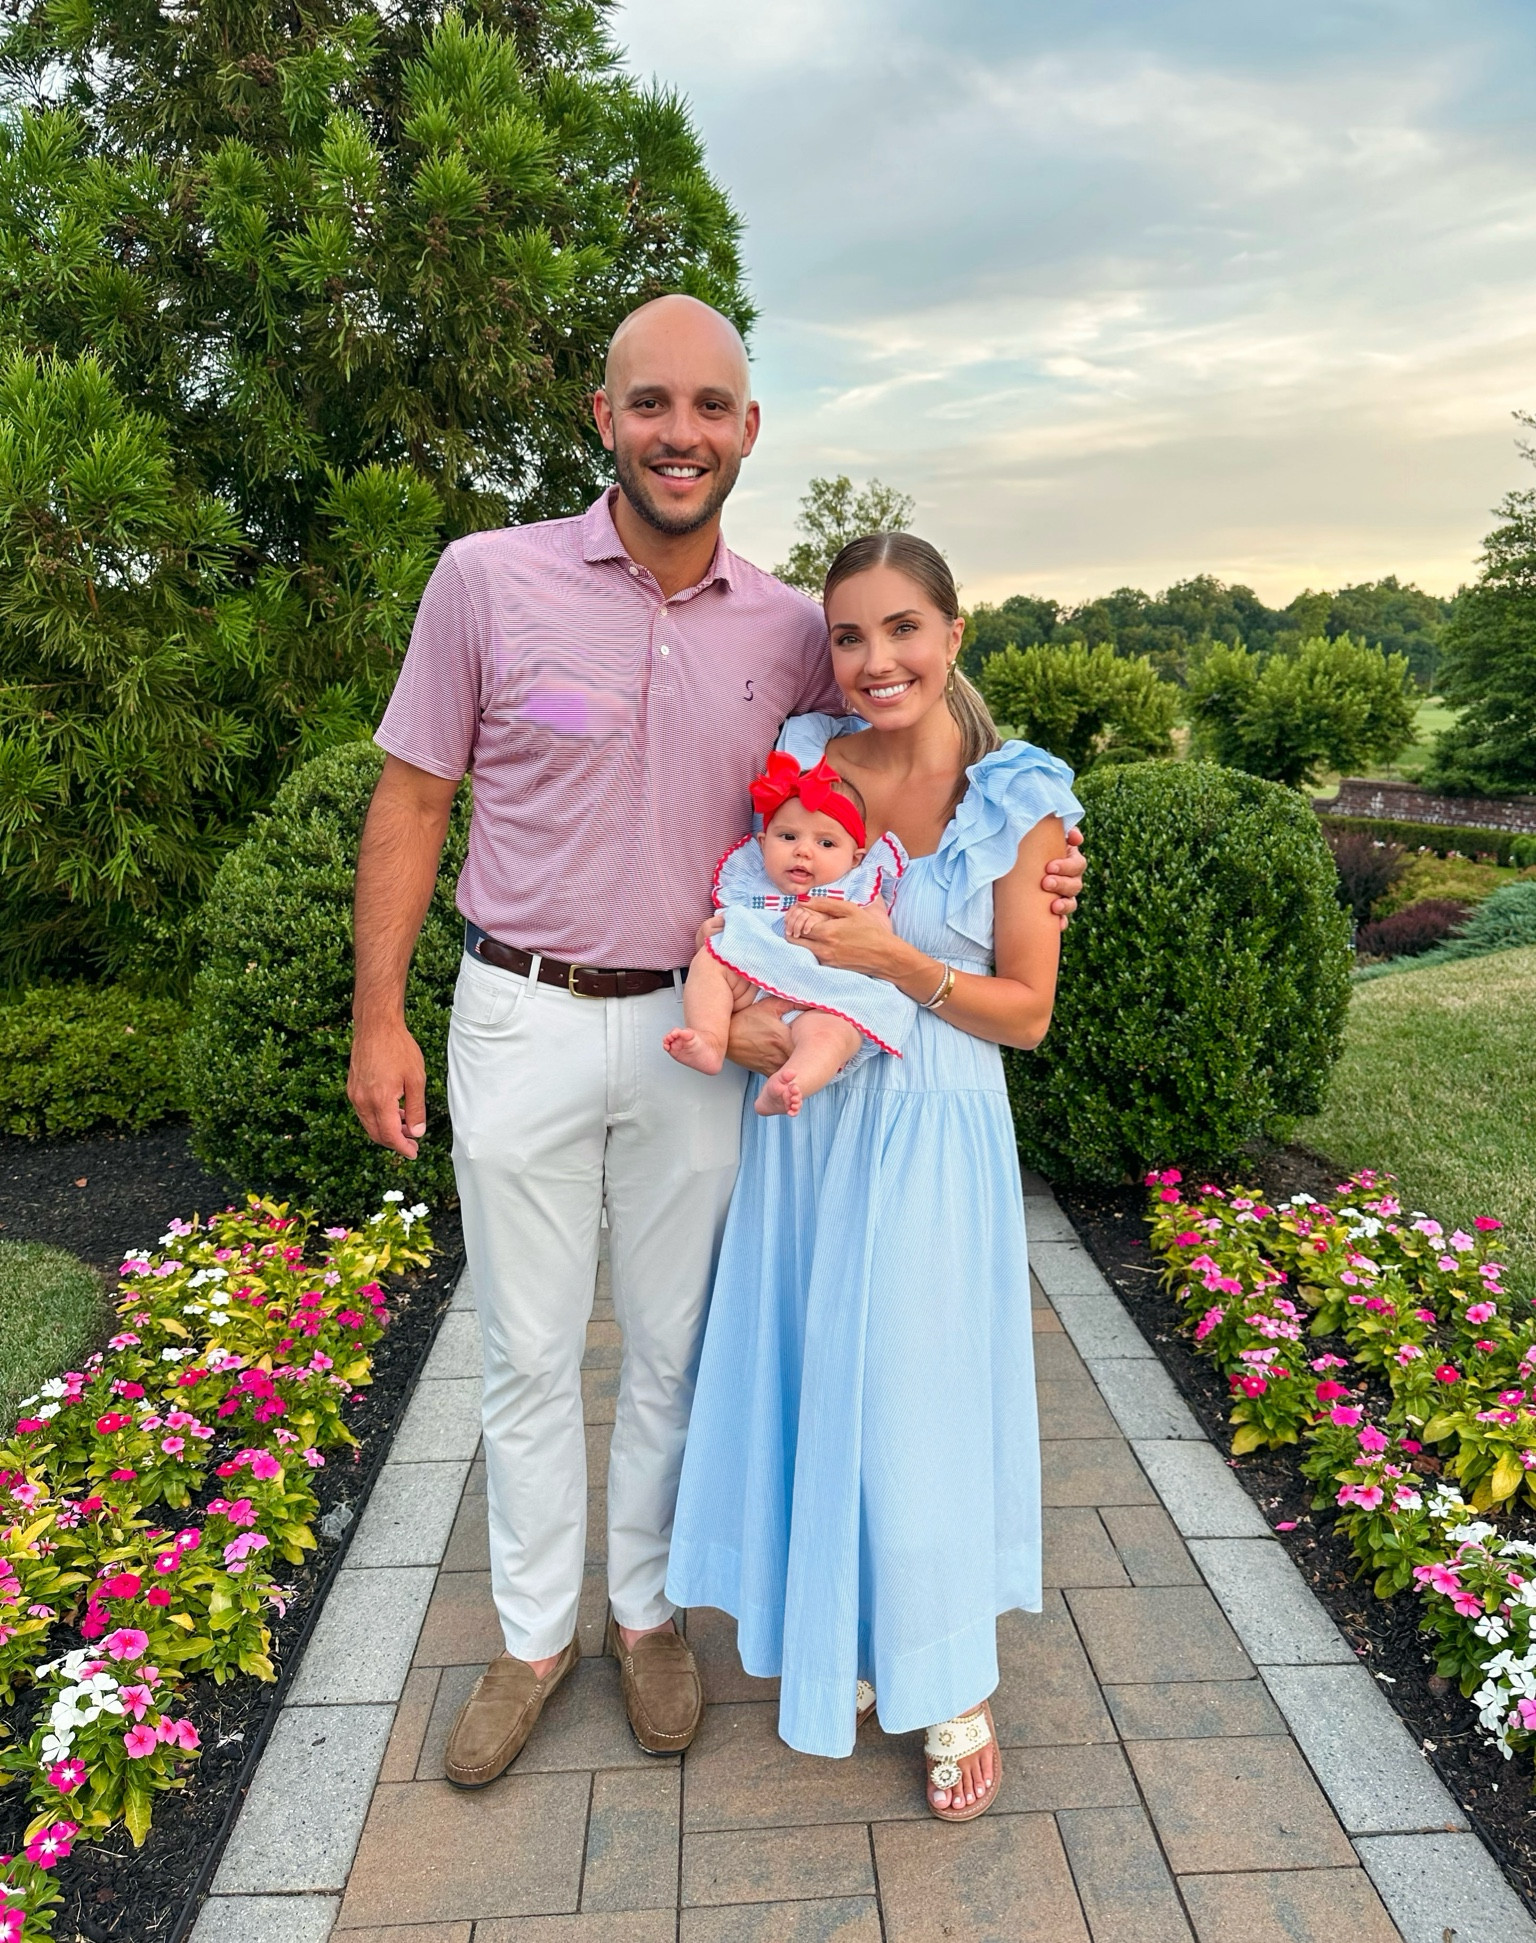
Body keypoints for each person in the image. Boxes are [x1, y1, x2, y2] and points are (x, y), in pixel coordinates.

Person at [346, 294, 1086, 1785]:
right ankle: (532, 1636)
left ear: (749, 430)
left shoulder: (785, 632)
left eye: (710, 406)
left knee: (681, 1346)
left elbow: (913, 733)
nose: (679, 433)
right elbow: (413, 799)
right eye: (650, 403)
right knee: (527, 1353)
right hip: (521, 1008)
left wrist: (1052, 850)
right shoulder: (485, 581)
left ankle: (646, 1617)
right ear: (601, 417)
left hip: (721, 1038)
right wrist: (378, 1014)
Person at [666, 530, 1080, 1822]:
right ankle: (838, 1624)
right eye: (850, 635)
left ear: (955, 633)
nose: (877, 658)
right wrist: (734, 1024)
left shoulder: (1021, 800)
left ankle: (951, 1676)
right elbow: (727, 925)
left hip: (938, 1131)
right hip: (807, 1128)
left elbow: (1025, 1013)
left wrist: (897, 961)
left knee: (918, 1400)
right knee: (816, 1375)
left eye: (903, 628)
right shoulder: (801, 765)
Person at [663, 756, 914, 1117]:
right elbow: (726, 925)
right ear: (763, 843)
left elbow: (878, 936)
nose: (803, 850)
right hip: (756, 983)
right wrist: (710, 934)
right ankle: (710, 1040)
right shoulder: (751, 882)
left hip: (826, 994)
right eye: (788, 836)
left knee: (830, 1035)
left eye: (826, 844)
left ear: (856, 857)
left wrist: (825, 915)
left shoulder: (856, 888)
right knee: (711, 961)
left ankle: (792, 1083)